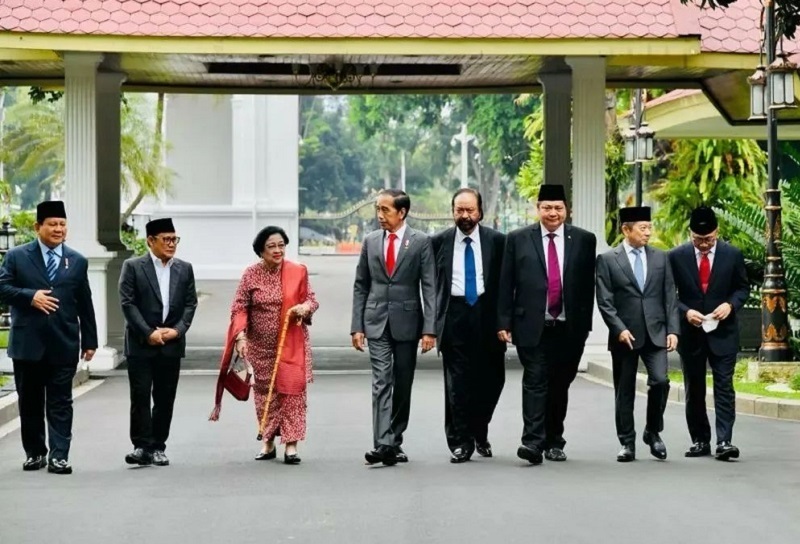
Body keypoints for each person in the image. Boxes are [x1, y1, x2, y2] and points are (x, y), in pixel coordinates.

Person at [497, 184, 597, 465]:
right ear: (537, 208)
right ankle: (532, 442)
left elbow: (587, 285)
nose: (552, 213)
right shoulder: (517, 239)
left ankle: (555, 440)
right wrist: (504, 321)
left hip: (569, 327)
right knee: (535, 380)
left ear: (567, 210)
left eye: (558, 208)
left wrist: (585, 325)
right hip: (532, 324)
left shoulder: (584, 240)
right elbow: (507, 283)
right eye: (546, 207)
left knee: (560, 384)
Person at [0, 200, 97, 475]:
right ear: (37, 227)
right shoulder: (17, 256)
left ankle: (59, 456)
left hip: (63, 342)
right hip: (27, 344)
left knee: (60, 401)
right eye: (52, 224)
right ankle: (35, 453)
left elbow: (84, 302)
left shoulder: (77, 261)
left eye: (62, 224)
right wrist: (30, 296)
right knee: (29, 401)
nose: (58, 229)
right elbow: (3, 287)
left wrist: (90, 341)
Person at [212, 226, 318, 465]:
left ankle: (291, 445)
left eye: (281, 245)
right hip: (260, 346)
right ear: (261, 250)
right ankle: (268, 441)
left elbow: (311, 299)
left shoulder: (298, 271)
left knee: (292, 392)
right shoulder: (251, 275)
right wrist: (240, 337)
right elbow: (239, 307)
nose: (278, 250)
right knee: (264, 394)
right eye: (272, 246)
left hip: (291, 343)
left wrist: (305, 308)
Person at [351, 189, 436, 466]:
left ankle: (395, 438)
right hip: (376, 321)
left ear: (402, 213)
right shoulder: (370, 241)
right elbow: (361, 285)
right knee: (380, 381)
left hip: (408, 323)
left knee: (403, 382)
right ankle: (383, 443)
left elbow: (429, 287)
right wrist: (357, 325)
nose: (380, 215)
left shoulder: (421, 242)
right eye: (378, 209)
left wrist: (429, 329)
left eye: (385, 210)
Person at [596, 206, 680, 462]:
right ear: (626, 229)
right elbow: (605, 301)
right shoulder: (608, 260)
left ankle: (652, 431)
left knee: (660, 381)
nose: (648, 233)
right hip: (626, 335)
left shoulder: (660, 257)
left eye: (649, 227)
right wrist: (618, 329)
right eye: (642, 228)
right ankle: (627, 443)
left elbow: (670, 297)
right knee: (625, 390)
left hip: (656, 333)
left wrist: (673, 330)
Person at [431, 188, 506, 463]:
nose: (465, 216)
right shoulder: (438, 242)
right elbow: (430, 286)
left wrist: (505, 321)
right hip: (454, 315)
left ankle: (479, 430)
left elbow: (506, 284)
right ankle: (461, 442)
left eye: (470, 210)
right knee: (457, 384)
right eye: (459, 210)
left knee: (493, 380)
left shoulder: (498, 241)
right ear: (452, 212)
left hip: (488, 315)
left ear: (480, 212)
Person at [668, 206, 749, 461]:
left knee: (724, 386)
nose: (703, 245)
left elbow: (742, 288)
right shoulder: (676, 256)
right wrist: (685, 312)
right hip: (691, 332)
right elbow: (669, 294)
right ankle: (700, 440)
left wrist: (730, 305)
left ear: (717, 232)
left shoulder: (732, 254)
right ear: (690, 234)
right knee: (695, 387)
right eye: (698, 240)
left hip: (723, 332)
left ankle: (724, 440)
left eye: (709, 239)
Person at [119, 218, 198, 467]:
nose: (172, 244)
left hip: (171, 343)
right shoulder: (133, 266)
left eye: (175, 239)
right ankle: (141, 446)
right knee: (140, 396)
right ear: (150, 241)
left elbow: (190, 304)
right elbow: (127, 303)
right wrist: (147, 332)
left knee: (165, 397)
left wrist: (177, 331)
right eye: (167, 239)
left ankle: (158, 446)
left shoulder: (184, 269)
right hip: (141, 343)